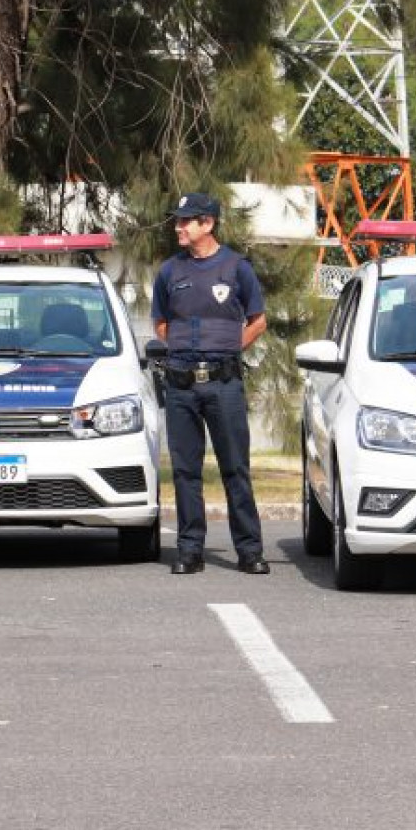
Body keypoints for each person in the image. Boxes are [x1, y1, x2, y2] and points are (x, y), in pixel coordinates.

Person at [151, 192, 269, 575]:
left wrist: (226, 349)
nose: (178, 228)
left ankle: (249, 551)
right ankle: (190, 551)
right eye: (178, 221)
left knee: (235, 467)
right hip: (182, 384)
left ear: (208, 224)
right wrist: (187, 351)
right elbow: (161, 323)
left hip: (224, 384)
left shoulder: (237, 268)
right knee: (186, 471)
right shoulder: (170, 271)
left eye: (186, 221)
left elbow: (258, 320)